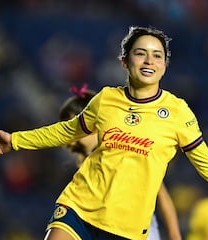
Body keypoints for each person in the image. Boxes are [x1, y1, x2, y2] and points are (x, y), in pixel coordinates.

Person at [0, 26, 208, 240]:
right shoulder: (105, 100)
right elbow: (67, 131)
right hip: (79, 205)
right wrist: (15, 141)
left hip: (127, 229)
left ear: (165, 66)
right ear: (125, 61)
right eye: (141, 53)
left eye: (157, 55)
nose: (149, 60)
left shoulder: (178, 113)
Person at [59, 85, 181, 240]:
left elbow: (161, 194)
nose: (68, 138)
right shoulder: (88, 165)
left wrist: (174, 235)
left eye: (73, 128)